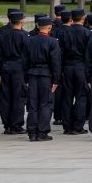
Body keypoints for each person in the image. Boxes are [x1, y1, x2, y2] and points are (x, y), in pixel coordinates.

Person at [22, 13, 61, 142]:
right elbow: (55, 62)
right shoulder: (52, 42)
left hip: (32, 74)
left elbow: (25, 61)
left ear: (38, 26)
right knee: (45, 103)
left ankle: (32, 132)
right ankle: (42, 131)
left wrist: (25, 78)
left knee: (33, 104)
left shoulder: (29, 40)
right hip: (46, 75)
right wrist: (56, 80)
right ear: (50, 27)